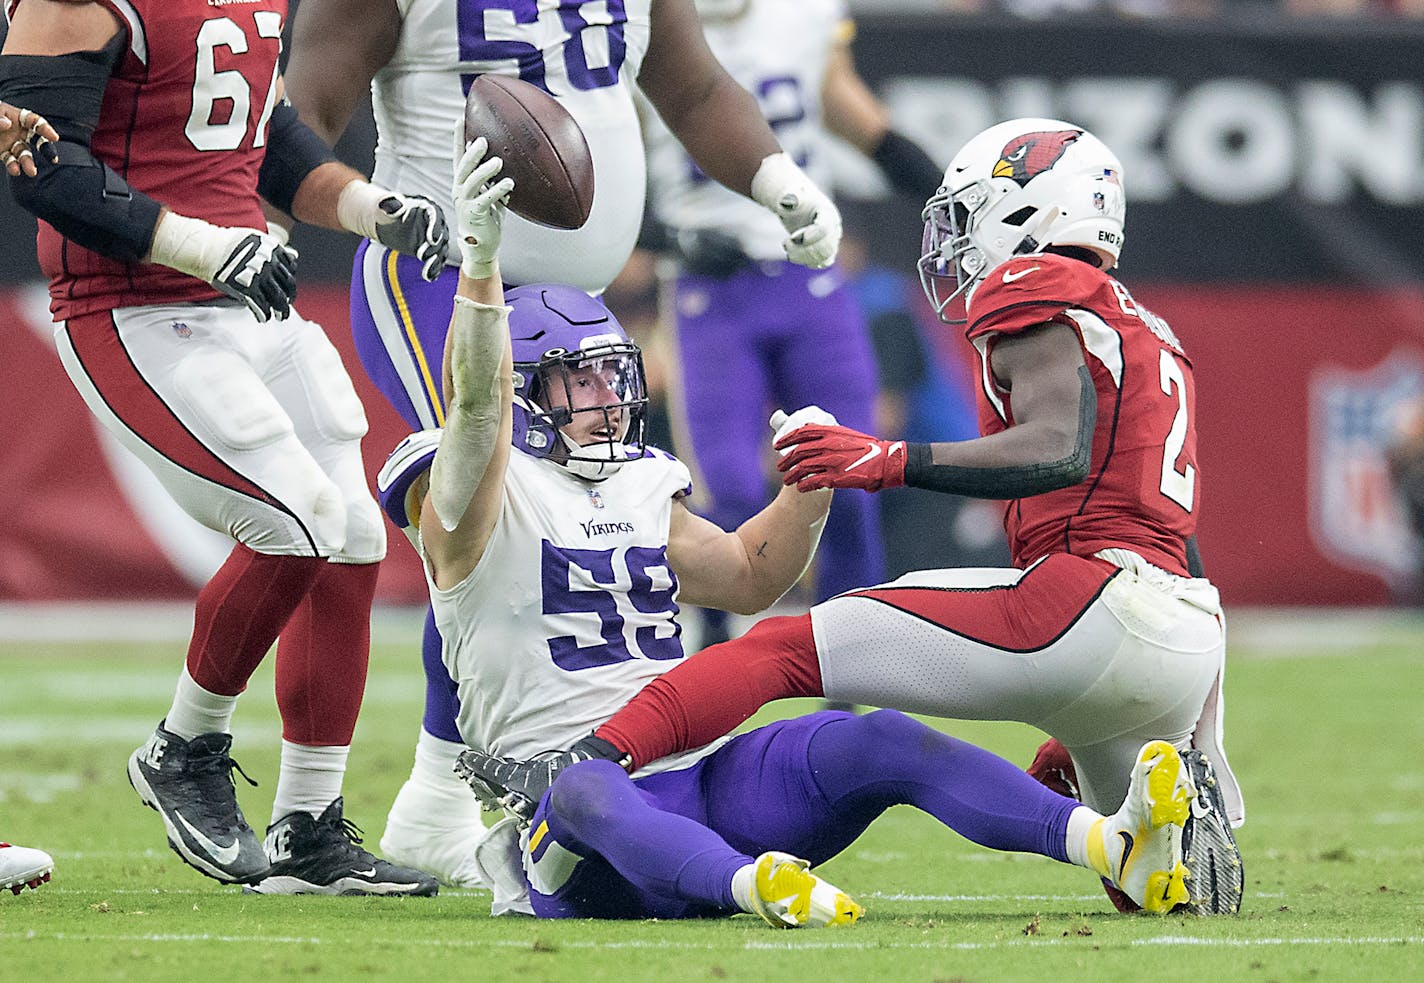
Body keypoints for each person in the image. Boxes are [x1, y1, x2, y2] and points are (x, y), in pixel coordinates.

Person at [384, 137, 1201, 923]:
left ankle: (1110, 840)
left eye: (611, 372)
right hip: (575, 821)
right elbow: (475, 413)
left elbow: (747, 574)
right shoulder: (467, 496)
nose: (607, 395)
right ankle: (749, 887)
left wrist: (808, 489)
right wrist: (482, 269)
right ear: (524, 393)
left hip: (694, 771)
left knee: (873, 737)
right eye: (578, 379)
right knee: (581, 788)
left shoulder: (638, 482)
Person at [282, 0, 846, 887]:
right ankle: (438, 795)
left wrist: (775, 177)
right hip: (440, 270)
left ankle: (480, 784)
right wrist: (371, 210)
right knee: (492, 514)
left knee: (571, 520)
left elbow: (692, 86)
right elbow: (299, 117)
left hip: (568, 311)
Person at [0, 0, 450, 895]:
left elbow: (262, 131)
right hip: (132, 308)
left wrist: (368, 207)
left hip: (241, 299)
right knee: (298, 519)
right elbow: (40, 165)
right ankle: (183, 746)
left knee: (355, 533)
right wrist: (204, 247)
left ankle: (309, 832)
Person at [639, 0, 944, 646]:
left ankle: (852, 685)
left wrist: (945, 192)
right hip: (706, 286)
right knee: (728, 491)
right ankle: (710, 671)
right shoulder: (639, 21)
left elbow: (853, 113)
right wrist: (665, 236)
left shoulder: (802, 14)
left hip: (810, 275)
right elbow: (604, 165)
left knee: (853, 481)